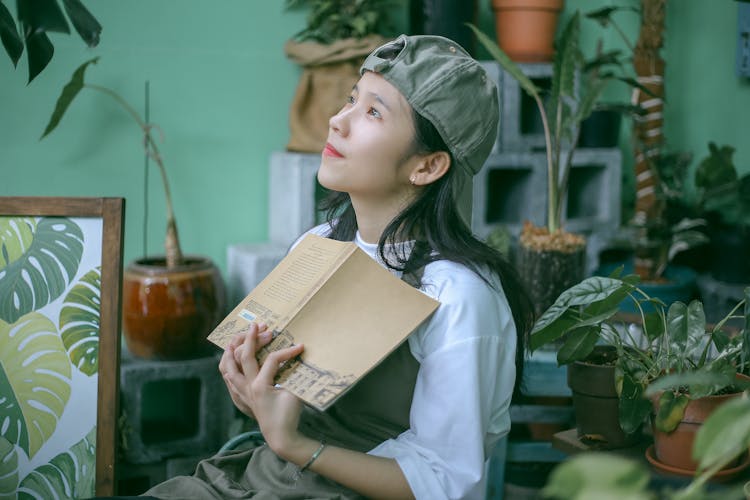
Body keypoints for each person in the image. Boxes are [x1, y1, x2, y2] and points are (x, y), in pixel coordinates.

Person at [142, 34, 533, 500]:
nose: (336, 121)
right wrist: (254, 394)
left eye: (373, 112)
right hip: (255, 480)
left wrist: (293, 443)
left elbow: (443, 482)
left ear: (427, 166)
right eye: (352, 99)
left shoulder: (457, 296)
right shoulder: (320, 244)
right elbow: (288, 404)